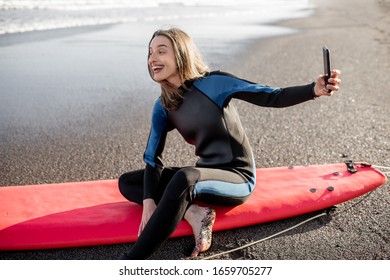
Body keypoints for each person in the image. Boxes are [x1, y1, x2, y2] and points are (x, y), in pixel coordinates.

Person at [118, 27, 341, 260]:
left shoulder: (214, 83)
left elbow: (271, 96)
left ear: (181, 53)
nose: (152, 58)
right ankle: (194, 212)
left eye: (161, 51)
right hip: (206, 173)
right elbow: (153, 160)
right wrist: (149, 202)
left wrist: (314, 90)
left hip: (237, 177)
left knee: (184, 179)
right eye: (150, 52)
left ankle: (131, 262)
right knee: (129, 182)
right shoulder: (163, 105)